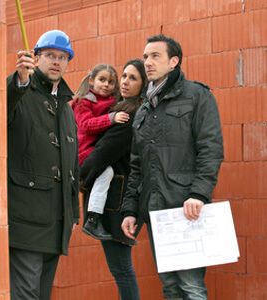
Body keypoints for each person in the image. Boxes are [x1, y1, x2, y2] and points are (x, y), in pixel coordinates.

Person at [121, 35, 224, 300]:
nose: (148, 62)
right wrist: (131, 209)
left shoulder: (197, 96)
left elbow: (210, 148)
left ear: (173, 61)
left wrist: (199, 194)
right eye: (145, 57)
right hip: (155, 211)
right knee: (170, 288)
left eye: (155, 56)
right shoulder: (144, 108)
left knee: (191, 286)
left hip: (185, 207)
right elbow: (136, 165)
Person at [7, 30, 79, 300]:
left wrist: (73, 212)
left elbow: (73, 166)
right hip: (25, 221)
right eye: (50, 55)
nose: (56, 62)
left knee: (41, 294)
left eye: (63, 57)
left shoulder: (66, 106)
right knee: (25, 295)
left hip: (56, 223)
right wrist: (20, 83)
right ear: (35, 58)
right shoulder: (19, 90)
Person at [80, 58, 148, 300]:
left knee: (121, 269)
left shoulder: (129, 117)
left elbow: (101, 155)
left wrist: (79, 180)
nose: (125, 82)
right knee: (121, 268)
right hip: (119, 201)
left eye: (133, 78)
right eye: (125, 76)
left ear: (144, 84)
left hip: (117, 205)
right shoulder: (120, 109)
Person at [72, 64, 129, 240]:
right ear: (91, 80)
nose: (106, 85)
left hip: (93, 150)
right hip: (83, 152)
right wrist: (111, 118)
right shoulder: (83, 102)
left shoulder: (112, 102)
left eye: (111, 82)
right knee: (107, 172)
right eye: (102, 80)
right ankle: (92, 219)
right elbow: (86, 125)